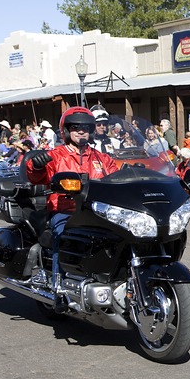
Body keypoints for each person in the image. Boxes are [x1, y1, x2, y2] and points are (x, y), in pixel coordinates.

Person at [26, 106, 119, 313]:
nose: (81, 131)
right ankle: (58, 288)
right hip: (65, 211)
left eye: (85, 127)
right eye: (75, 127)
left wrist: (135, 172)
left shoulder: (101, 158)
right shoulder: (55, 156)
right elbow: (35, 177)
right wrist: (37, 165)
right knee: (63, 235)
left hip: (98, 212)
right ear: (66, 130)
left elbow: (116, 176)